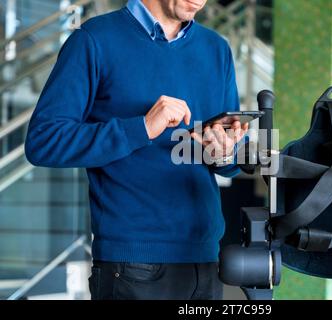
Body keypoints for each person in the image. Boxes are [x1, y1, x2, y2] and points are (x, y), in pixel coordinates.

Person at [25, 0, 248, 300]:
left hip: (205, 261)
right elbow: (43, 141)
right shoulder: (94, 40)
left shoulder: (217, 49)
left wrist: (225, 153)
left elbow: (231, 159)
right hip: (131, 266)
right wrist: (141, 128)